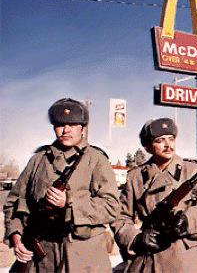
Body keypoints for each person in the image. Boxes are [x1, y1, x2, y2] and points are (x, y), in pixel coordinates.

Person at [3, 98, 120, 272]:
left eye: (72, 124)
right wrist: (16, 237)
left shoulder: (96, 160)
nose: (66, 130)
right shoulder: (38, 160)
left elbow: (112, 207)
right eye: (59, 125)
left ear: (82, 128)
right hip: (42, 257)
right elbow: (14, 202)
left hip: (84, 258)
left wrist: (69, 202)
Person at [111, 118, 197, 272]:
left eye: (171, 139)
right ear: (147, 147)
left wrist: (187, 220)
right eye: (160, 140)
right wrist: (136, 238)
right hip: (149, 256)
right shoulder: (136, 176)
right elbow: (120, 216)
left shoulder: (193, 171)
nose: (168, 145)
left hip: (184, 256)